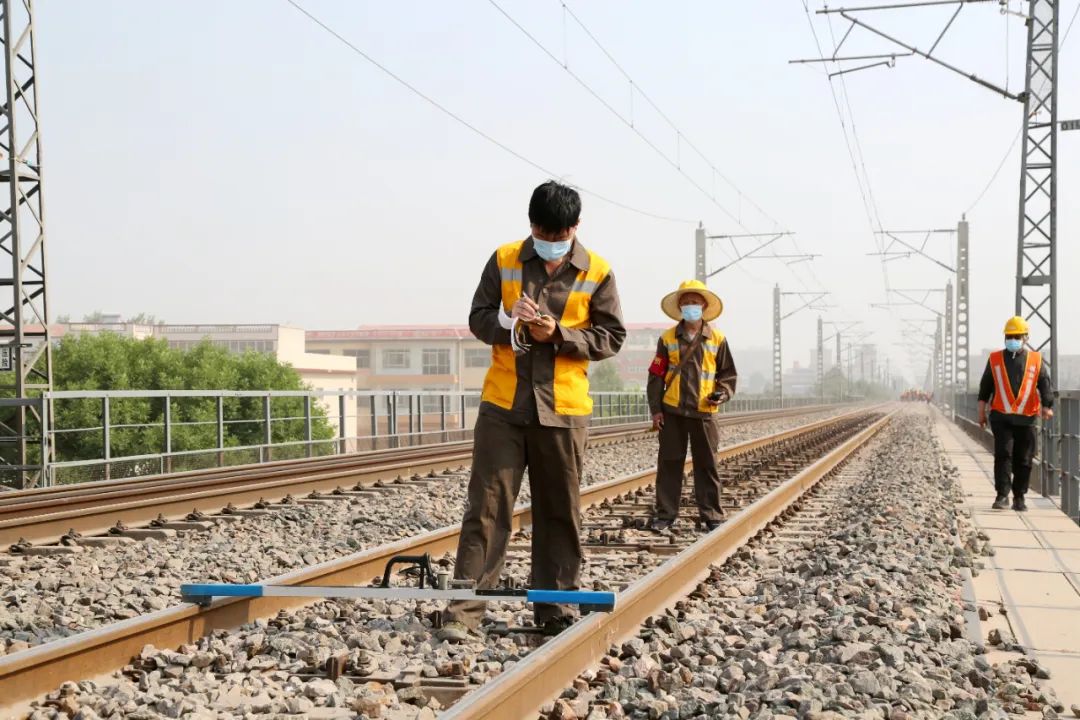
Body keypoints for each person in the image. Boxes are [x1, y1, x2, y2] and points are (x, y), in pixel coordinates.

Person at [437, 181, 626, 642]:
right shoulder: (503, 260)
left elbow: (611, 336)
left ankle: (556, 606)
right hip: (504, 404)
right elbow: (478, 318)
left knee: (559, 508)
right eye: (545, 230)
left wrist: (558, 334)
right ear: (532, 225)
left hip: (563, 408)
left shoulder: (597, 270)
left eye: (561, 233)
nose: (553, 240)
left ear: (575, 228)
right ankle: (465, 609)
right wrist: (508, 322)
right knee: (486, 507)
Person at [645, 279, 737, 532]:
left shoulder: (717, 338)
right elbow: (656, 377)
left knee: (707, 465)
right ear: (679, 307)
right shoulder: (667, 339)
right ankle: (665, 515)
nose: (690, 306)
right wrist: (655, 410)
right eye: (685, 303)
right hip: (672, 412)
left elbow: (728, 375)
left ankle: (712, 515)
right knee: (669, 465)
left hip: (704, 413)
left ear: (704, 305)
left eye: (694, 302)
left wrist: (722, 393)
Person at [977, 316, 1054, 512]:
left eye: (1017, 336)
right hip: (1001, 417)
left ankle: (1019, 497)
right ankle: (1002, 495)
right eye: (1009, 336)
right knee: (1003, 455)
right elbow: (985, 388)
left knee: (1024, 458)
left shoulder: (1036, 359)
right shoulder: (994, 359)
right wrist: (981, 413)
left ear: (1025, 338)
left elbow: (1044, 383)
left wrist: (1047, 405)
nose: (1012, 339)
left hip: (1026, 418)